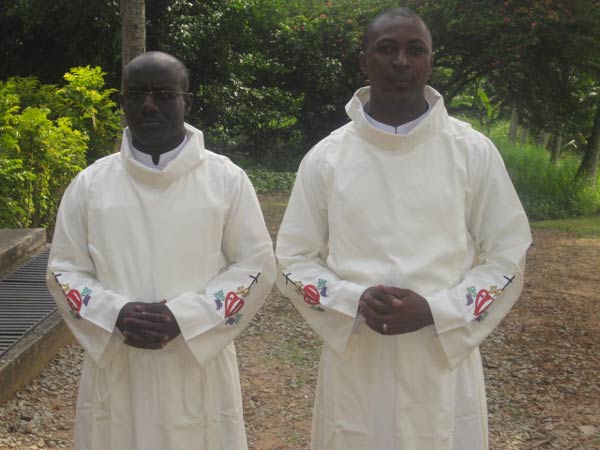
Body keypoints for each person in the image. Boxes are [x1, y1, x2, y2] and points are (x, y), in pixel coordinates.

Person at [276, 8, 532, 450]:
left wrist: (437, 310)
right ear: (364, 61)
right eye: (386, 49)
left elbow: (508, 255)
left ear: (430, 61)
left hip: (441, 354)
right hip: (358, 352)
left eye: (415, 50)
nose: (401, 61)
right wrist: (353, 300)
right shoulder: (327, 157)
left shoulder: (472, 151)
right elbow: (293, 258)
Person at [46, 51, 276, 450]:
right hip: (118, 362)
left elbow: (256, 265)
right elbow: (64, 269)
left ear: (188, 102)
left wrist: (185, 317)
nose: (149, 105)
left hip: (196, 361)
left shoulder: (226, 179)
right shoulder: (91, 184)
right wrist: (115, 313)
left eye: (164, 94)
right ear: (123, 103)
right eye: (136, 95)